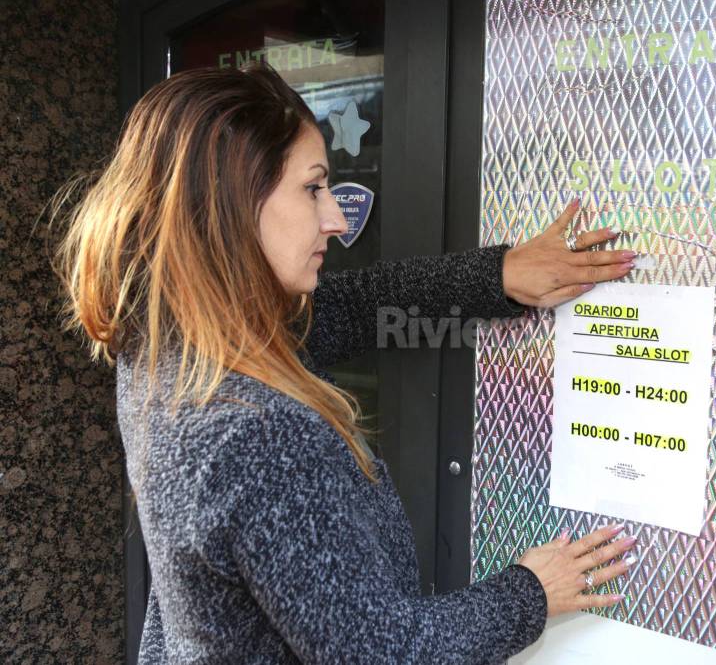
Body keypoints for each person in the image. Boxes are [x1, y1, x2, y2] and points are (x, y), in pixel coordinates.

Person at [52, 62, 639, 663]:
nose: (335, 218)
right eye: (312, 188)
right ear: (229, 203)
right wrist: (532, 592)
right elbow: (383, 655)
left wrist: (500, 277)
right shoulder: (258, 433)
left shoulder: (170, 346)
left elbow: (357, 307)